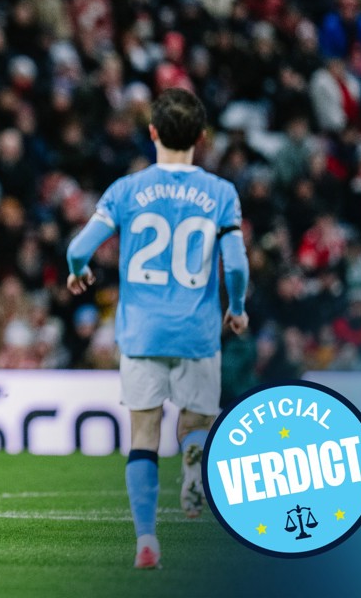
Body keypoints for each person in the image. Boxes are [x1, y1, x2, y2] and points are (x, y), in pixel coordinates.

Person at [65, 88, 249, 569]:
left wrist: (79, 270)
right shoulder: (220, 192)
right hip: (198, 332)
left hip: (142, 333)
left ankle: (147, 540)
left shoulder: (127, 190)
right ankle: (193, 462)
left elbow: (79, 247)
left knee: (144, 434)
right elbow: (235, 264)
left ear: (151, 133)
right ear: (202, 138)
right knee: (197, 424)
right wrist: (239, 307)